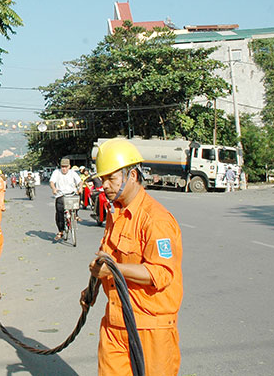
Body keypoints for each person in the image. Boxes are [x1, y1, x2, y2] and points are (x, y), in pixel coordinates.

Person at [81, 138, 183, 375]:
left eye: (111, 178)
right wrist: (92, 290)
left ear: (133, 176)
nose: (104, 185)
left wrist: (115, 269)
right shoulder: (114, 213)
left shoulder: (156, 220)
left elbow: (162, 273)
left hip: (150, 328)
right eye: (102, 179)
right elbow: (106, 261)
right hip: (115, 324)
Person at [49, 158, 83, 240]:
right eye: (62, 167)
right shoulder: (56, 172)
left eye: (66, 167)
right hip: (61, 195)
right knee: (59, 212)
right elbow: (52, 182)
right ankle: (60, 231)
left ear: (69, 167)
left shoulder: (73, 173)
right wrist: (54, 189)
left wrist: (80, 187)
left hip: (71, 194)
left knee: (78, 198)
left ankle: (76, 214)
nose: (64, 169)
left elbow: (79, 182)